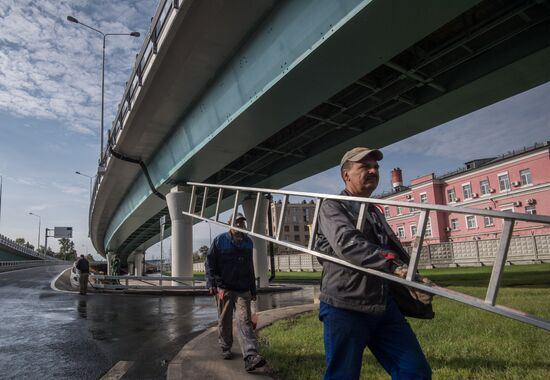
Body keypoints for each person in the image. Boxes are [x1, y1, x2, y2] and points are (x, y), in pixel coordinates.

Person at [315, 147, 431, 380]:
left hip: (382, 306)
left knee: (415, 372)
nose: (373, 171)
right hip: (344, 306)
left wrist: (412, 278)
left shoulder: (374, 211)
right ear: (346, 175)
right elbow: (347, 243)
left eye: (376, 167)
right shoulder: (332, 205)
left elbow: (389, 248)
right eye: (364, 167)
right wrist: (392, 266)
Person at [205, 212, 266, 372]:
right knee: (225, 320)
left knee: (244, 320)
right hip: (224, 288)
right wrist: (211, 282)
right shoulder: (220, 241)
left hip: (243, 289)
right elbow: (209, 262)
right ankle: (225, 346)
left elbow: (250, 268)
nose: (240, 225)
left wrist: (253, 289)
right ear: (230, 224)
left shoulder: (248, 243)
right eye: (237, 222)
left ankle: (251, 356)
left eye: (242, 223)